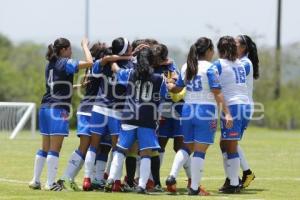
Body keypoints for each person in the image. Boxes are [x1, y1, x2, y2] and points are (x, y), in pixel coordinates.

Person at [166, 37, 233, 195]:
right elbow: (217, 92)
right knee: (200, 150)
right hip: (205, 111)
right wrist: (227, 113)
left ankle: (172, 175)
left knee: (186, 146)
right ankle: (194, 188)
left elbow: (176, 89)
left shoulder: (186, 66)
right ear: (209, 51)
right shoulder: (210, 68)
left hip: (188, 109)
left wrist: (169, 85)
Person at [29, 37, 93, 191]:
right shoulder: (66, 62)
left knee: (44, 147)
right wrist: (85, 46)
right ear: (63, 50)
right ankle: (50, 184)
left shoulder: (50, 64)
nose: (71, 52)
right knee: (54, 148)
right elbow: (89, 62)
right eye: (70, 49)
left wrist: (78, 85)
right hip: (58, 109)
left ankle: (35, 180)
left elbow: (59, 85)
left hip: (45, 107)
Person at [105, 47, 166, 194]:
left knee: (120, 150)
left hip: (129, 116)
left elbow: (116, 69)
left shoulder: (130, 73)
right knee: (145, 153)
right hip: (147, 118)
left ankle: (111, 180)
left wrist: (129, 56)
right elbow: (162, 98)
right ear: (152, 60)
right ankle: (141, 186)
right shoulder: (159, 78)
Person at [82, 37, 134, 191]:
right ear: (125, 50)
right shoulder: (130, 65)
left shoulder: (104, 63)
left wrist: (114, 58)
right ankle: (116, 183)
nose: (132, 47)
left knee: (93, 146)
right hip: (116, 112)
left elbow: (97, 66)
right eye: (130, 46)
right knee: (117, 149)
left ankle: (86, 179)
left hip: (98, 108)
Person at [214, 36, 251, 194]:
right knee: (225, 144)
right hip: (245, 105)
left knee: (230, 147)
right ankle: (231, 179)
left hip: (233, 107)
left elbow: (214, 86)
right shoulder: (240, 64)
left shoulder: (219, 64)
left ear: (220, 49)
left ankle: (234, 183)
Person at [233, 34, 259, 188]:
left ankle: (246, 173)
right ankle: (242, 174)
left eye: (235, 44)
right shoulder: (238, 62)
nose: (231, 45)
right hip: (238, 107)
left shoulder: (245, 63)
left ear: (243, 48)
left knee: (230, 142)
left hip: (242, 107)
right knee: (229, 143)